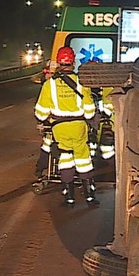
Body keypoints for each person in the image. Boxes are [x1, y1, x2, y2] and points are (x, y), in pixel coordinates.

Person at [34, 46, 97, 206]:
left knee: (65, 158)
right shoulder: (81, 82)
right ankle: (89, 194)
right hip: (78, 126)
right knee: (83, 159)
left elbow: (40, 113)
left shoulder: (50, 85)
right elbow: (89, 111)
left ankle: (69, 195)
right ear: (73, 62)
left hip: (59, 127)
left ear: (58, 63)